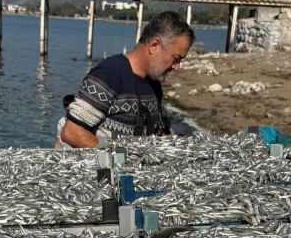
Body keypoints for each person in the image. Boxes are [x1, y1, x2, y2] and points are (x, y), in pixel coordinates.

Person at [61, 11, 194, 148]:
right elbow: (72, 132)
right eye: (176, 58)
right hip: (107, 168)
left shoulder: (153, 82)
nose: (177, 66)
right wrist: (120, 157)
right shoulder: (109, 75)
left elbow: (159, 127)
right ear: (154, 45)